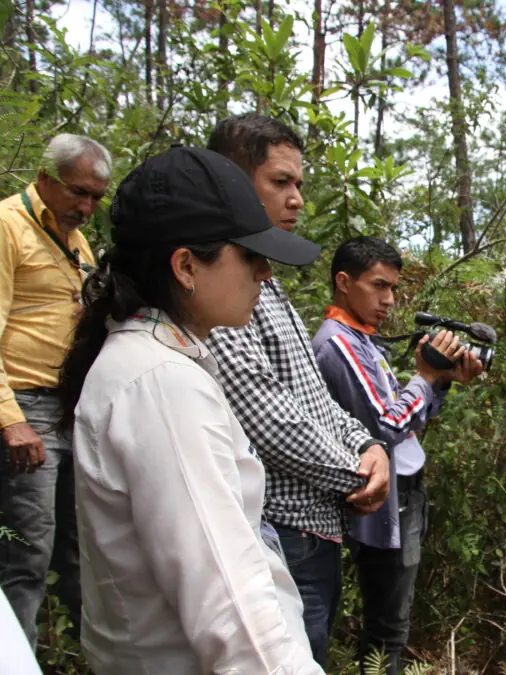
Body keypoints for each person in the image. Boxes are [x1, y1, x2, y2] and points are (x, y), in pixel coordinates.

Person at [55, 146, 325, 673]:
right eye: (250, 256)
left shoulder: (157, 361)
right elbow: (231, 605)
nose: (265, 275)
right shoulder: (162, 384)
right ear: (186, 266)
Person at [205, 113, 391, 666]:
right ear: (236, 183)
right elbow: (266, 414)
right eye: (280, 183)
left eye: (299, 184)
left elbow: (312, 396)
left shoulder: (267, 277)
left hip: (316, 529)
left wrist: (368, 445)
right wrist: (357, 473)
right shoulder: (217, 282)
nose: (297, 200)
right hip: (280, 529)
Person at [311, 236, 483, 672]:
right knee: (389, 627)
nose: (389, 300)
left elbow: (409, 423)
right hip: (387, 501)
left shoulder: (363, 339)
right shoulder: (338, 344)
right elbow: (387, 426)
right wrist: (425, 375)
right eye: (378, 286)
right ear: (344, 282)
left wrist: (440, 381)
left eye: (393, 289)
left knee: (392, 621)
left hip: (404, 494)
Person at [0, 133, 111, 648]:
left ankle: (94, 656)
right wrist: (11, 419)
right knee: (27, 554)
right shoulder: (7, 225)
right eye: (78, 192)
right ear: (45, 179)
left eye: (96, 197)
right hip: (25, 405)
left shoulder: (75, 240)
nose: (86, 207)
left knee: (78, 546)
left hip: (68, 409)